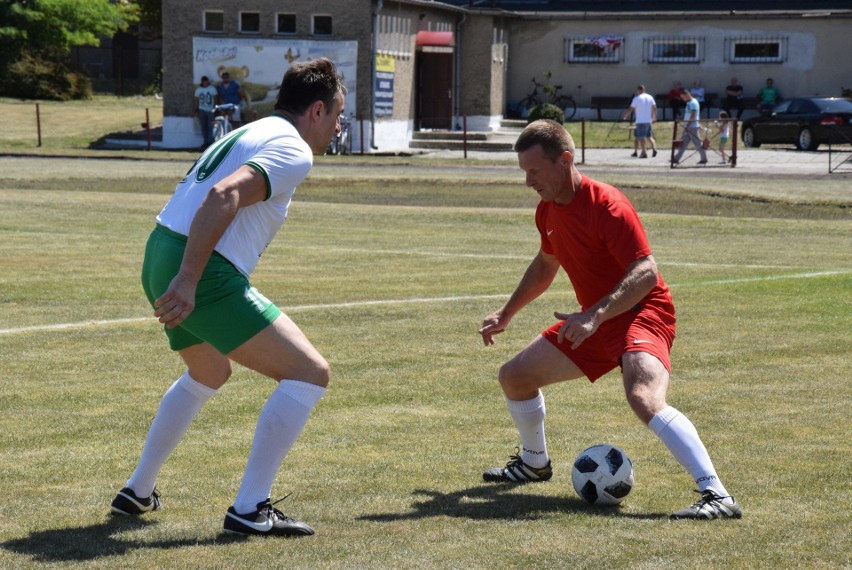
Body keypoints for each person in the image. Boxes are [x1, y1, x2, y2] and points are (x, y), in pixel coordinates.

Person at [109, 58, 347, 537]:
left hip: (159, 250)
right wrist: (190, 280)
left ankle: (137, 490)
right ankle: (249, 508)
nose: (338, 126)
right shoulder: (294, 149)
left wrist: (179, 274)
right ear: (317, 110)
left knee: (209, 370)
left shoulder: (248, 131)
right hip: (198, 267)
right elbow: (222, 195)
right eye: (338, 115)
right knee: (309, 373)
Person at [478, 119, 742, 521]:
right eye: (524, 172)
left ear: (565, 160)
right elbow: (547, 263)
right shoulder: (547, 210)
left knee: (644, 397)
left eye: (535, 171)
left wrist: (594, 315)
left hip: (643, 313)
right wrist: (507, 311)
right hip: (595, 321)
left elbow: (647, 271)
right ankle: (534, 463)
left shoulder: (608, 206)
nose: (528, 181)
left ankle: (717, 495)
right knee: (515, 376)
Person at [672, 89, 707, 165]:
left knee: (697, 143)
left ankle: (704, 158)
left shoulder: (693, 103)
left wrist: (688, 125)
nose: (683, 99)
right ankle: (676, 158)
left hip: (692, 127)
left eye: (683, 97)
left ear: (687, 95)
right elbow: (688, 115)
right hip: (688, 126)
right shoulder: (689, 103)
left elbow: (693, 115)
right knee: (683, 143)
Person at [622, 84, 658, 158]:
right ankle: (654, 148)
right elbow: (654, 107)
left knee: (641, 137)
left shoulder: (637, 98)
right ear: (644, 89)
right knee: (648, 136)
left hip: (640, 121)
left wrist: (626, 115)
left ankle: (644, 153)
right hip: (648, 120)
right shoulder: (650, 97)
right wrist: (654, 117)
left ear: (638, 90)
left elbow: (631, 108)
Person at [193, 75, 218, 148]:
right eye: (204, 81)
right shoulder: (198, 90)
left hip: (211, 110)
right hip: (202, 109)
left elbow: (216, 98)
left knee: (211, 126)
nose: (205, 82)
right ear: (202, 82)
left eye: (206, 81)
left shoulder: (212, 89)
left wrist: (215, 108)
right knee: (204, 127)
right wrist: (195, 109)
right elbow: (196, 100)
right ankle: (205, 141)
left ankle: (210, 141)